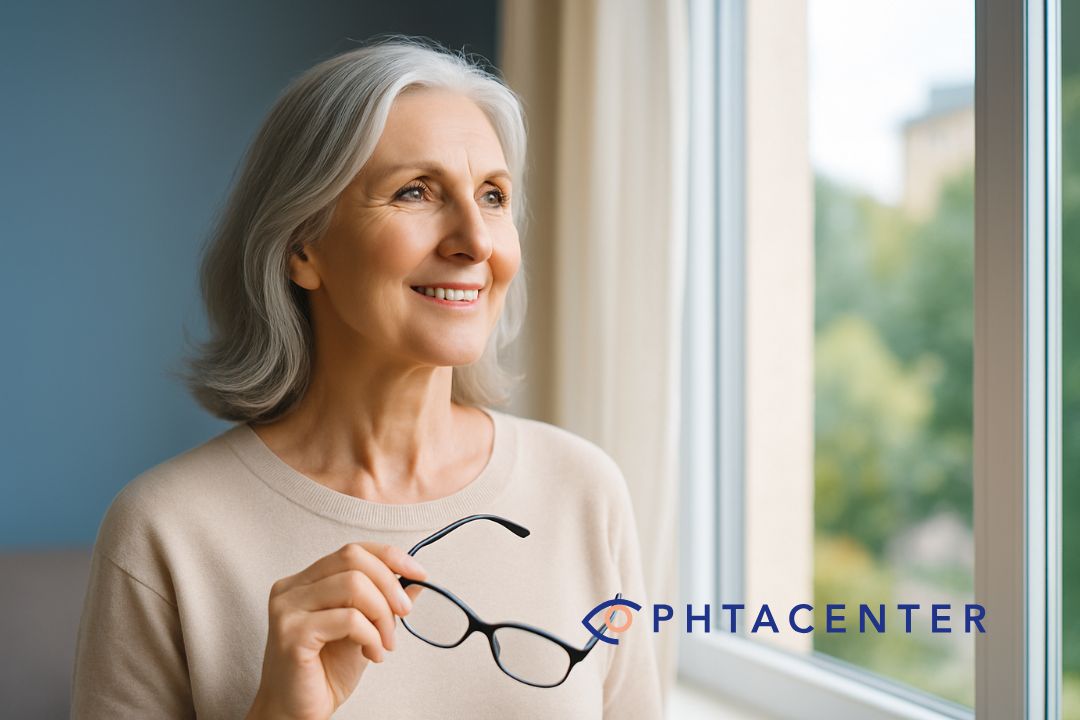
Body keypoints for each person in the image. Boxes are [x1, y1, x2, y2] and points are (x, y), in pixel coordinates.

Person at [70, 37, 663, 720]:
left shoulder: (583, 490)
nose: (475, 240)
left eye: (494, 196)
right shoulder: (165, 530)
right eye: (416, 191)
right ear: (302, 247)